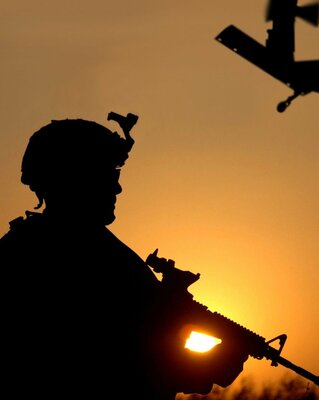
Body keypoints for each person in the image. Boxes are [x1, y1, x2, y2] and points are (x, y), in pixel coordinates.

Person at [0, 113, 248, 400]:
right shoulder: (80, 255)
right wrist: (217, 361)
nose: (117, 187)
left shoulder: (35, 245)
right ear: (76, 177)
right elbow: (121, 363)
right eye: (107, 175)